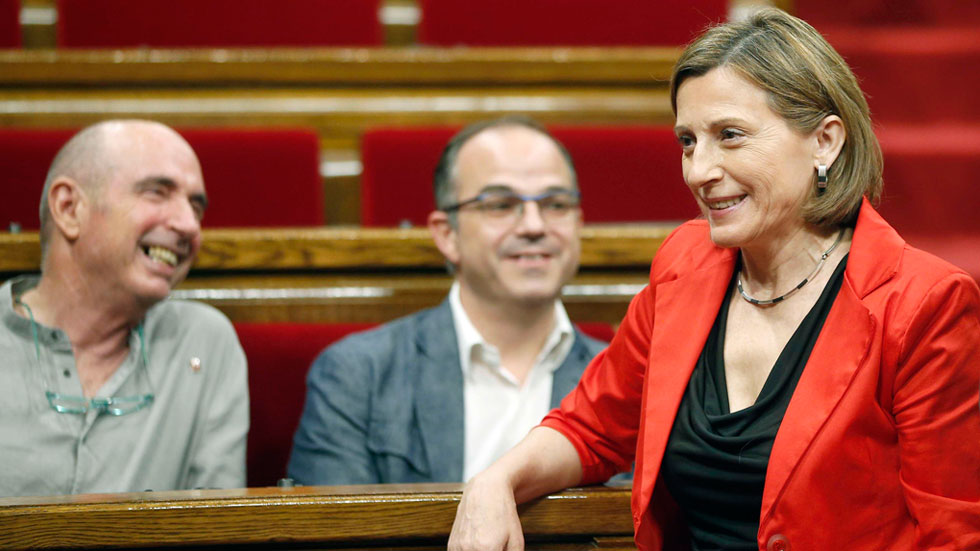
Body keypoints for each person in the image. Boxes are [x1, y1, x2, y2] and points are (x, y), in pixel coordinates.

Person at [448, 9, 980, 551]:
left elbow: (953, 535)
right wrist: (494, 483)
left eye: (730, 136)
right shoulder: (683, 264)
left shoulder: (924, 304)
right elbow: (592, 429)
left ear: (825, 141)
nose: (699, 170)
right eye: (688, 141)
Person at [288, 117, 609, 485]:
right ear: (447, 235)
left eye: (556, 204)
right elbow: (335, 521)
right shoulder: (358, 376)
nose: (534, 226)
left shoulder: (627, 382)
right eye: (500, 205)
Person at [0, 120, 249, 497]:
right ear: (69, 208)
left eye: (196, 207)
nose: (189, 225)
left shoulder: (202, 345)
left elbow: (217, 524)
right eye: (157, 193)